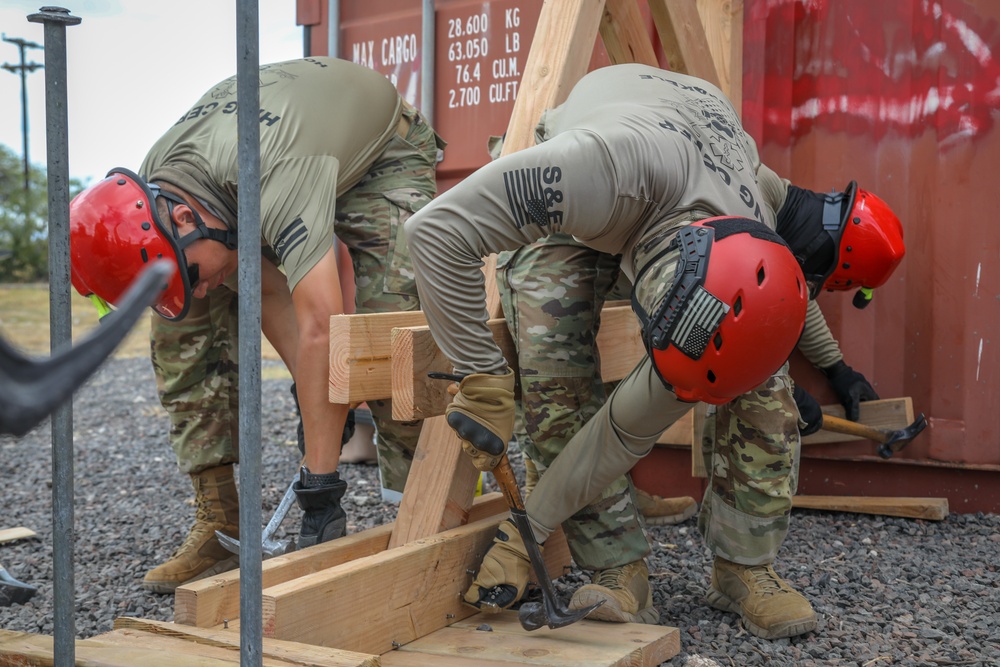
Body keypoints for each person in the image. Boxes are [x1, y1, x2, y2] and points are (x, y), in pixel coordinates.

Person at [402, 63, 904, 639]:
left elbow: (624, 430)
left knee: (768, 388)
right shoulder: (596, 169)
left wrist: (829, 365)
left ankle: (745, 566)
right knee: (551, 355)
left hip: (686, 154)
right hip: (601, 185)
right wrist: (481, 374)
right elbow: (435, 232)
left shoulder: (759, 209)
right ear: (647, 297)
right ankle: (616, 567)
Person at [68, 57, 444, 593]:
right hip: (256, 174)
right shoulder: (158, 186)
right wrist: (321, 402)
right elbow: (267, 290)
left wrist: (321, 488)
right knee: (181, 317)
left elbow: (320, 324)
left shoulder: (272, 174)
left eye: (193, 274)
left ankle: (422, 513)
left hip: (379, 148)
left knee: (393, 329)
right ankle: (220, 522)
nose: (200, 287)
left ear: (181, 219)